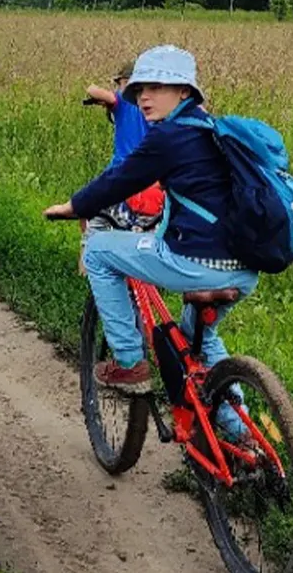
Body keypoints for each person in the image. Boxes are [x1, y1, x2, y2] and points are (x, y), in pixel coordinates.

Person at [43, 45, 259, 439]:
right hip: (245, 268)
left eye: (157, 87)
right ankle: (241, 436)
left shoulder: (170, 136)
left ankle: (129, 363)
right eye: (140, 88)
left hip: (197, 264)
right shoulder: (213, 130)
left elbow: (120, 181)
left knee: (99, 250)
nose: (144, 96)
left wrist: (74, 207)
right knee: (200, 337)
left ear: (184, 92)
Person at [79, 61, 165, 273]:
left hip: (121, 175)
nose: (118, 88)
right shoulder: (159, 108)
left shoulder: (123, 102)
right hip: (154, 177)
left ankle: (87, 269)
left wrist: (107, 98)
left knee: (87, 212)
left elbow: (93, 90)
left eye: (121, 83)